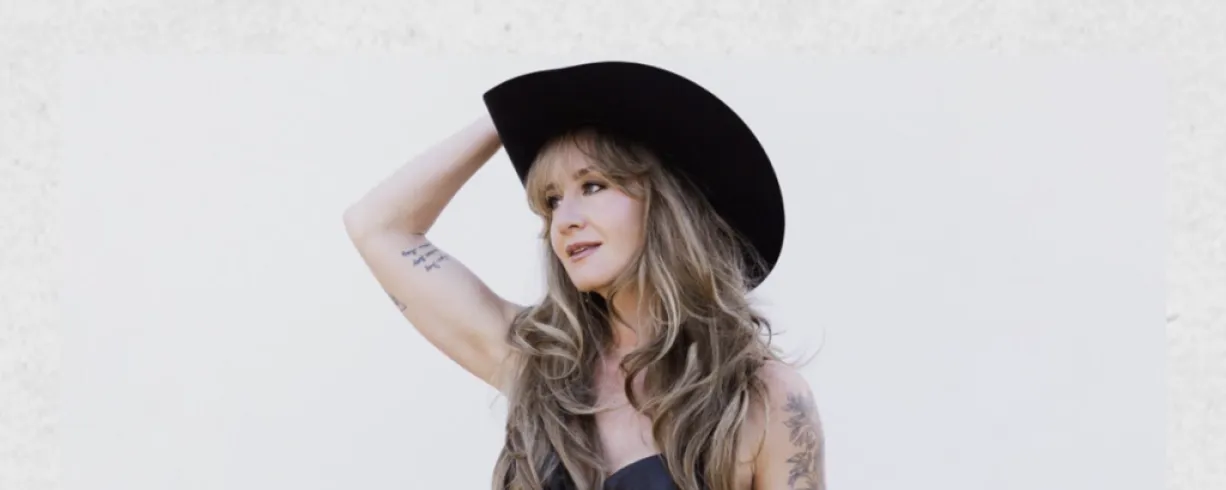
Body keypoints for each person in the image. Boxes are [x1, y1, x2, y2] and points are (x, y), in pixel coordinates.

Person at [343, 61, 825, 490]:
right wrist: (509, 115)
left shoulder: (762, 396)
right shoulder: (540, 365)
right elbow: (376, 226)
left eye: (592, 186)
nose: (564, 220)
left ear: (666, 204)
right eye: (551, 200)